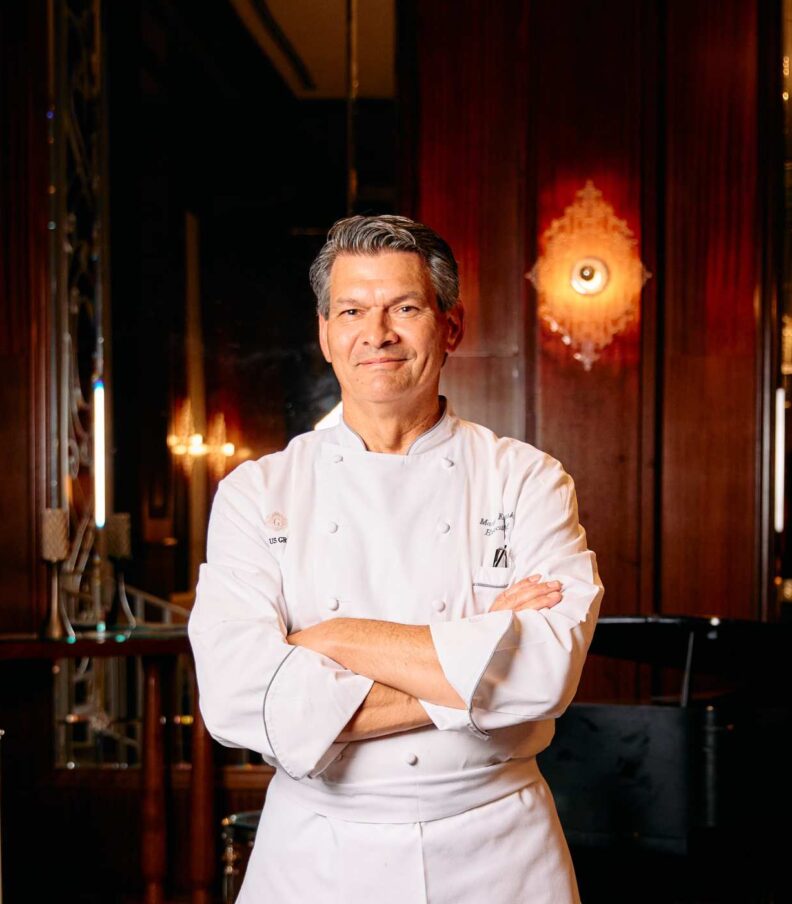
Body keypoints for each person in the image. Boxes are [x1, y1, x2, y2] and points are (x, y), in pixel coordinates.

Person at [188, 214, 604, 903]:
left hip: (499, 853)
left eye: (404, 308)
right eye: (352, 310)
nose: (376, 333)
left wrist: (331, 642)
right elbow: (240, 703)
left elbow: (542, 674)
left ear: (450, 326)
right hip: (317, 855)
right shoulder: (255, 493)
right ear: (325, 334)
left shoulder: (528, 480)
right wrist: (477, 663)